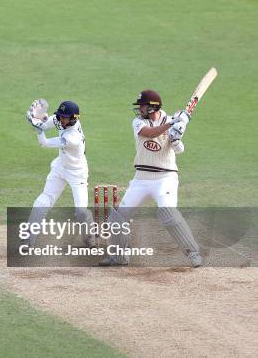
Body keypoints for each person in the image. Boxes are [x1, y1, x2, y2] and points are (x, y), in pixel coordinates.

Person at [99, 90, 202, 267]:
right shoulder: (139, 122)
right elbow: (150, 133)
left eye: (142, 106)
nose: (139, 108)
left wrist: (176, 138)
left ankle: (193, 253)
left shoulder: (170, 121)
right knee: (118, 218)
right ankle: (119, 257)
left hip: (165, 178)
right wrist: (173, 123)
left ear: (153, 107)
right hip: (141, 179)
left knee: (168, 213)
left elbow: (179, 150)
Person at [25, 100, 96, 247]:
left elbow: (44, 142)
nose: (60, 119)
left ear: (73, 119)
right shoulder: (61, 120)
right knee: (43, 200)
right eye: (59, 116)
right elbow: (45, 124)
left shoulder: (73, 138)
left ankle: (89, 236)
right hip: (60, 166)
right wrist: (38, 119)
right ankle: (28, 239)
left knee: (81, 212)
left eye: (64, 117)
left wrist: (38, 130)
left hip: (77, 173)